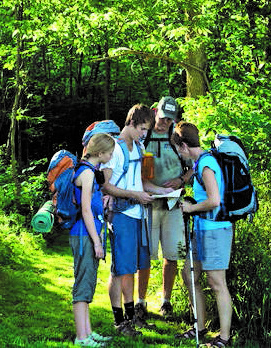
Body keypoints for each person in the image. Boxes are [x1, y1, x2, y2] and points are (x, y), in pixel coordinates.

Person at [100, 104, 160, 336]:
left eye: (147, 130)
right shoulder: (114, 149)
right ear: (131, 123)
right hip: (121, 213)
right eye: (142, 129)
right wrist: (135, 195)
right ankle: (121, 321)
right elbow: (106, 186)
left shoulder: (141, 146)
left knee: (133, 268)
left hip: (138, 214)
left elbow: (145, 181)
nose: (145, 134)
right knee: (121, 269)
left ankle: (132, 316)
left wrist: (164, 191)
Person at [173, 121, 233, 347]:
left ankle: (224, 339)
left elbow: (214, 200)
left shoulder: (206, 164)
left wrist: (191, 208)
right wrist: (192, 204)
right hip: (202, 229)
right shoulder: (200, 163)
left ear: (185, 146)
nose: (180, 154)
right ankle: (200, 327)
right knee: (189, 276)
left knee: (217, 282)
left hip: (216, 230)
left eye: (179, 149)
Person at [136, 96, 193, 322]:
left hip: (173, 205)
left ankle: (166, 301)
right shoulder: (144, 134)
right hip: (148, 204)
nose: (164, 123)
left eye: (170, 120)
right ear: (154, 112)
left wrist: (181, 180)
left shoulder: (177, 138)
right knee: (145, 255)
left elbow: (194, 166)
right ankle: (140, 302)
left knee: (172, 255)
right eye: (162, 118)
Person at [71, 133, 116, 347]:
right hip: (83, 235)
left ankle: (87, 332)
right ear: (100, 153)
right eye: (109, 153)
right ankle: (81, 338)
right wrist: (97, 242)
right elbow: (86, 210)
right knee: (82, 285)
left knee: (88, 282)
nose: (111, 156)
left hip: (88, 233)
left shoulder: (90, 171)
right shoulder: (87, 174)